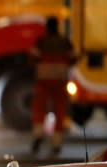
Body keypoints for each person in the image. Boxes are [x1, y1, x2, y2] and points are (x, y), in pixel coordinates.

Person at [29, 15, 77, 157]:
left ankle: (38, 136)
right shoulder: (65, 42)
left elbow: (32, 58)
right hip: (60, 81)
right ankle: (56, 143)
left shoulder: (41, 41)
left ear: (47, 27)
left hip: (43, 81)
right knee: (59, 112)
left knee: (39, 110)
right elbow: (73, 59)